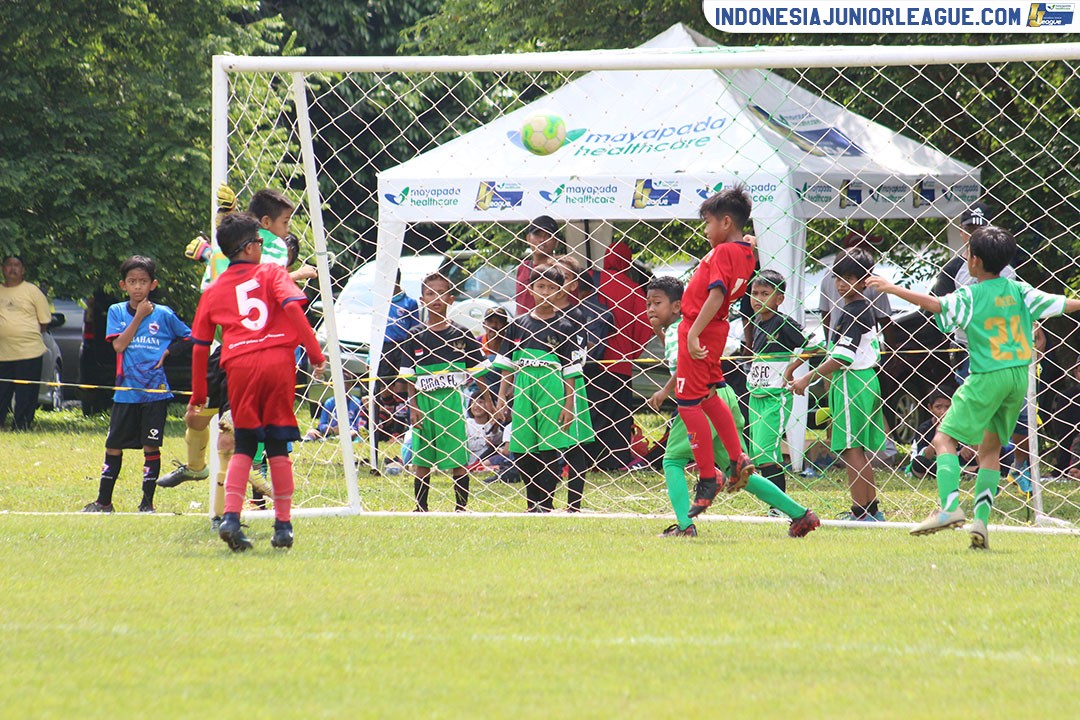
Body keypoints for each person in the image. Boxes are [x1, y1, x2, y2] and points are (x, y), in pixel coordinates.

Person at [867, 225, 1080, 549]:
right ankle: (980, 522)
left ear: (975, 262)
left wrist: (893, 288)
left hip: (986, 375)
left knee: (942, 438)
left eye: (967, 254)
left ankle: (949, 508)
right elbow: (1061, 303)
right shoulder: (1020, 290)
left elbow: (936, 305)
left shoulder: (970, 295)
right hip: (1018, 378)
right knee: (990, 450)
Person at [159, 186, 304, 516]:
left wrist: (214, 245)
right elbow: (234, 274)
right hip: (223, 352)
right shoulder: (249, 248)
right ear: (265, 223)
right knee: (195, 418)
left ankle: (225, 514)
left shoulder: (276, 249)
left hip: (250, 357)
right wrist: (221, 226)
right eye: (285, 223)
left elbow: (258, 275)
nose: (287, 232)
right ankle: (196, 467)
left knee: (230, 437)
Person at [188, 213, 326, 551]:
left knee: (245, 444)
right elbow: (294, 307)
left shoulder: (213, 289)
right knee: (278, 444)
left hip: (238, 365)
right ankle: (282, 525)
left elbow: (200, 346)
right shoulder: (272, 272)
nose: (263, 248)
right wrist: (315, 353)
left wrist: (199, 394)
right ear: (250, 247)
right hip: (277, 362)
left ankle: (232, 518)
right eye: (261, 243)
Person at [645, 275, 819, 538]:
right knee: (734, 470)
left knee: (672, 460)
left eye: (656, 303)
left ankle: (684, 526)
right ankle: (800, 514)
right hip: (722, 397)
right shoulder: (694, 325)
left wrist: (666, 390)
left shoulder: (678, 331)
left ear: (677, 306)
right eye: (647, 303)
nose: (650, 309)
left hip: (698, 399)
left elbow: (682, 366)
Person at [82, 256, 192, 513]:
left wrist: (168, 352)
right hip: (126, 393)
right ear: (123, 285)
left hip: (155, 393)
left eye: (143, 282)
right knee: (113, 445)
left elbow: (191, 337)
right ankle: (104, 502)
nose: (138, 287)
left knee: (151, 446)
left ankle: (147, 504)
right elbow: (119, 345)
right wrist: (140, 316)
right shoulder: (117, 311)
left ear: (153, 284)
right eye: (132, 282)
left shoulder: (164, 314)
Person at [676, 187, 758, 517]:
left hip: (702, 327)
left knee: (687, 403)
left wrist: (694, 332)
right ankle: (738, 457)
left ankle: (708, 476)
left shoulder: (724, 252)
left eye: (708, 223)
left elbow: (715, 294)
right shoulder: (745, 251)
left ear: (726, 222)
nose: (706, 231)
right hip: (717, 328)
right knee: (709, 395)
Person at [788, 247, 887, 521]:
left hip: (851, 383)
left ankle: (861, 512)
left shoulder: (855, 310)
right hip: (863, 381)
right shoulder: (856, 309)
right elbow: (833, 345)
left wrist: (808, 377)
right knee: (857, 448)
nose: (843, 284)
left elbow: (843, 356)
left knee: (851, 449)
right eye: (839, 278)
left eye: (850, 278)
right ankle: (870, 510)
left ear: (865, 279)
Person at [494, 265, 579, 512]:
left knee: (549, 447)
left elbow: (570, 370)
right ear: (530, 289)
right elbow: (507, 365)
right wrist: (501, 396)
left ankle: (546, 502)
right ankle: (532, 502)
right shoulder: (518, 324)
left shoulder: (565, 326)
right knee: (521, 447)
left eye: (552, 288)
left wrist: (568, 404)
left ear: (560, 291)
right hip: (523, 388)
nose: (545, 292)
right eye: (540, 286)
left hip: (551, 389)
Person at [399, 272, 483, 512]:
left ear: (451, 298)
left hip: (451, 403)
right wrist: (413, 407)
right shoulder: (415, 335)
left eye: (441, 293)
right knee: (422, 457)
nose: (436, 298)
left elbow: (479, 372)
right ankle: (421, 506)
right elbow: (409, 377)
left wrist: (490, 399)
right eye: (430, 293)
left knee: (458, 455)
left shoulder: (462, 334)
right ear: (422, 299)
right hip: (423, 405)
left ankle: (461, 507)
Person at [746, 270, 810, 502]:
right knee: (757, 453)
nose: (758, 299)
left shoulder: (783, 322)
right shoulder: (756, 322)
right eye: (754, 293)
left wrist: (792, 369)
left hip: (775, 397)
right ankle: (773, 504)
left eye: (765, 294)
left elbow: (816, 344)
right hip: (756, 395)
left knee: (766, 453)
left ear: (779, 299)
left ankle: (780, 504)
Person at [593, 241, 654, 470]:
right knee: (617, 413)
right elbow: (645, 326)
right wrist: (631, 352)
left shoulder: (593, 281)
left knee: (592, 410)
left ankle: (589, 459)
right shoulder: (633, 288)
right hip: (620, 362)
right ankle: (614, 459)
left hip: (591, 359)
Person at [547, 255, 601, 510]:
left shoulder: (576, 316)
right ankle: (541, 501)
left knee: (573, 446)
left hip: (569, 384)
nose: (555, 282)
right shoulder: (536, 315)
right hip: (540, 386)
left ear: (572, 285)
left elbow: (578, 356)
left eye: (564, 277)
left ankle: (573, 504)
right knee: (543, 445)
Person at [0, 255, 52, 431]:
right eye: (9, 265)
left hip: (29, 352)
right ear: (3, 269)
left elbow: (44, 321)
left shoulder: (32, 291)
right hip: (2, 353)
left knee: (26, 392)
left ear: (23, 270)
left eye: (17, 265)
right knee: (2, 391)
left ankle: (22, 425)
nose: (12, 269)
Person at [910, 389, 975, 478]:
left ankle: (962, 471)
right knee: (919, 463)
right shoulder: (925, 428)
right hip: (935, 463)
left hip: (960, 461)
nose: (943, 412)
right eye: (938, 407)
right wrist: (938, 434)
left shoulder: (963, 424)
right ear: (930, 408)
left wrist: (969, 447)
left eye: (948, 407)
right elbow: (926, 457)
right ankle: (963, 472)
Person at [515, 215, 562, 316]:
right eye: (537, 234)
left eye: (548, 235)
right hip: (524, 326)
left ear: (557, 242)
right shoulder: (523, 267)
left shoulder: (562, 269)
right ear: (528, 238)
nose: (542, 240)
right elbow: (519, 303)